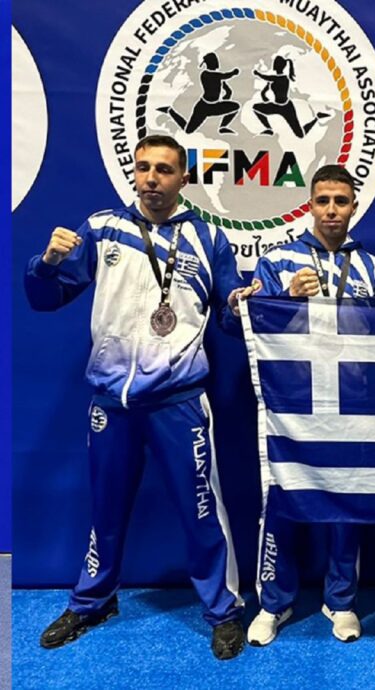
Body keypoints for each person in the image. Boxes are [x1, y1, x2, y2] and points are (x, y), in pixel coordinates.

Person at [25, 134, 246, 660]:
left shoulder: (209, 238)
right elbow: (45, 299)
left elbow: (229, 317)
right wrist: (46, 263)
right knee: (105, 510)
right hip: (112, 403)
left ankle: (223, 610)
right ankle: (93, 600)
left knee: (200, 513)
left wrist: (242, 305)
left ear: (183, 178)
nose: (151, 178)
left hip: (179, 401)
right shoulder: (103, 228)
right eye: (144, 167)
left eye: (164, 169)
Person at [229, 164, 375, 646]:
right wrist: (287, 298)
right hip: (290, 406)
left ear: (354, 206)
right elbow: (242, 323)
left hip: (351, 405)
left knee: (346, 506)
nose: (332, 210)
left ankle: (341, 601)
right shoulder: (277, 260)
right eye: (323, 201)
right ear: (310, 205)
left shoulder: (372, 266)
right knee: (281, 502)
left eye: (341, 201)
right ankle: (273, 602)